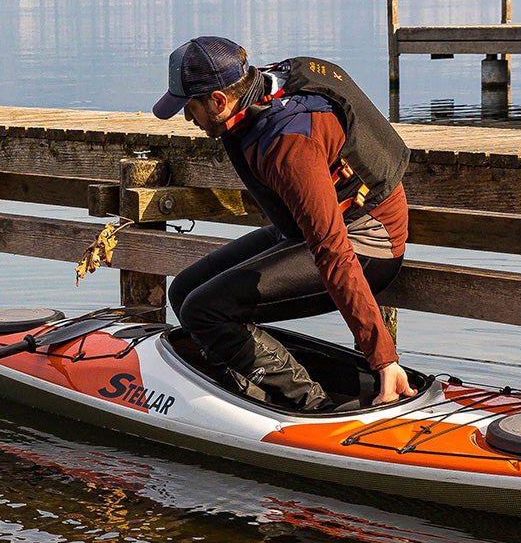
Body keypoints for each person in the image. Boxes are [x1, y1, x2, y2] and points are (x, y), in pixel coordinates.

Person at [152, 35, 416, 411]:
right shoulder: (260, 92)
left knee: (204, 310)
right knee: (183, 293)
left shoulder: (289, 146)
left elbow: (333, 250)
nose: (186, 118)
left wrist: (383, 358)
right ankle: (246, 392)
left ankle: (315, 407)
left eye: (189, 107)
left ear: (218, 100)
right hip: (315, 228)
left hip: (367, 243)